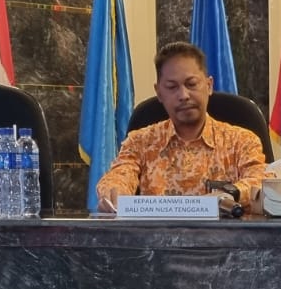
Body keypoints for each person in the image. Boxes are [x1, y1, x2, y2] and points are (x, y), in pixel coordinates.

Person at [95, 41, 268, 213]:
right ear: (159, 93)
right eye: (172, 87)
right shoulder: (140, 142)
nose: (183, 95)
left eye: (191, 84)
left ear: (209, 86)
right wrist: (113, 194)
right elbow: (119, 175)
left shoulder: (242, 141)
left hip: (226, 231)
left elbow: (261, 179)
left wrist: (229, 193)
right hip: (157, 231)